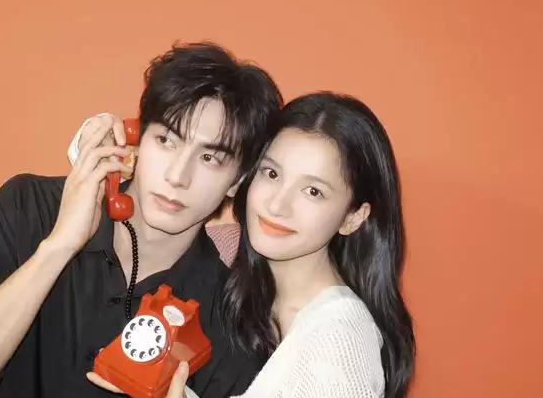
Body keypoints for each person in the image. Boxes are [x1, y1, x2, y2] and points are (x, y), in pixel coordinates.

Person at [0, 41, 283, 398]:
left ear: (237, 181)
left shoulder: (232, 318)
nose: (177, 176)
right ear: (136, 137)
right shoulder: (28, 207)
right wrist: (57, 247)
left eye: (209, 158)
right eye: (166, 140)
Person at [85, 91, 416, 398]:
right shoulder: (237, 284)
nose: (277, 205)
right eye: (272, 174)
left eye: (313, 191)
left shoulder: (340, 342)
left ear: (353, 218)